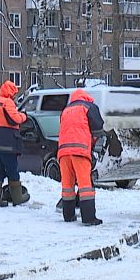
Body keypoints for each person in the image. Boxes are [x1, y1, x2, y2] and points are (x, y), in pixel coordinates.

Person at [58, 89, 104, 225]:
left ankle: (68, 215)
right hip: (80, 150)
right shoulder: (88, 107)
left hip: (63, 151)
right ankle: (89, 218)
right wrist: (93, 142)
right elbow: (98, 128)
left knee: (67, 186)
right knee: (85, 186)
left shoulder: (66, 110)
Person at [0, 80, 28, 207]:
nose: (15, 96)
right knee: (12, 170)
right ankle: (17, 198)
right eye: (14, 93)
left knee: (0, 170)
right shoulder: (7, 102)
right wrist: (24, 116)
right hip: (8, 144)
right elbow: (15, 119)